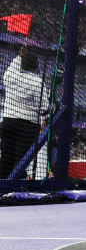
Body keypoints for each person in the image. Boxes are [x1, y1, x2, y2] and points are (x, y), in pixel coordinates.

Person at [1, 46, 49, 179]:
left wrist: (20, 56)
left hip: (8, 122)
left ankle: (2, 189)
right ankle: (15, 193)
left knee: (5, 159)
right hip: (27, 126)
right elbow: (44, 107)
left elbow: (12, 66)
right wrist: (47, 115)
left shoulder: (10, 75)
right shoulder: (37, 81)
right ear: (36, 66)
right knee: (20, 161)